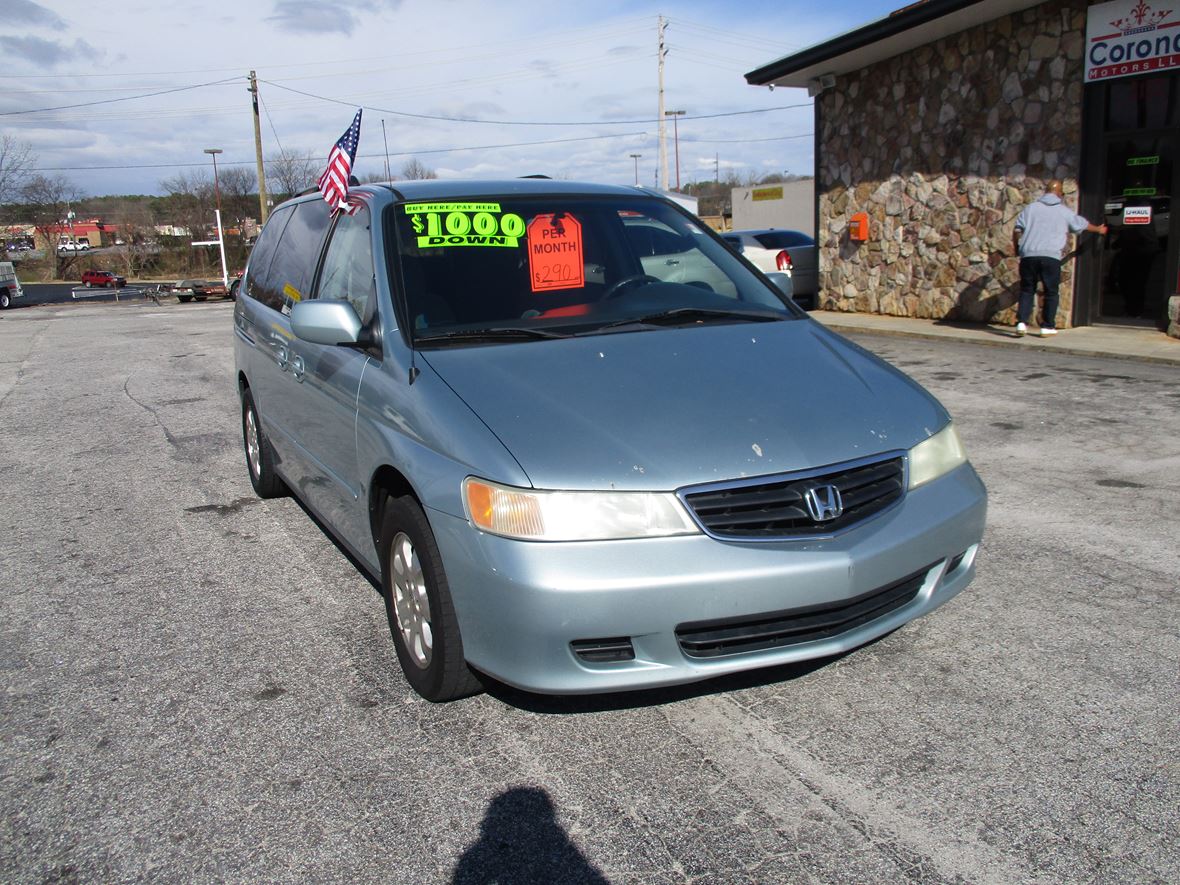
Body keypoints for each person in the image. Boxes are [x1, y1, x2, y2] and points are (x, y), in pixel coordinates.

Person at [1012, 180, 1107, 337]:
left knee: (1027, 289)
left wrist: (1018, 248)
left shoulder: (1030, 209)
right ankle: (1047, 326)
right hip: (1050, 257)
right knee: (1051, 292)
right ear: (1059, 193)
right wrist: (1099, 229)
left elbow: (1017, 230)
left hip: (1028, 255)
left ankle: (1021, 323)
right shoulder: (1063, 211)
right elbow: (1081, 224)